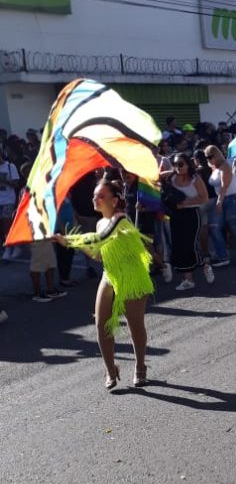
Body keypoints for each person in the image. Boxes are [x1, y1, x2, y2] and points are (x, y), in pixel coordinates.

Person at [53, 178, 153, 388]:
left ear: (115, 200)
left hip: (132, 277)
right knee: (101, 325)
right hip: (110, 275)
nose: (95, 200)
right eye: (94, 196)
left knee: (136, 326)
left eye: (101, 196)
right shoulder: (100, 223)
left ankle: (140, 366)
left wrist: (71, 240)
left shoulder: (121, 220)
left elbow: (100, 238)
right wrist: (74, 245)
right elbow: (98, 255)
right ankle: (110, 370)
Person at [164, 153, 213, 289]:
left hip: (191, 214)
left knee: (190, 245)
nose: (177, 167)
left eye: (181, 164)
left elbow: (204, 198)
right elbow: (156, 176)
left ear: (187, 164)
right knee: (179, 246)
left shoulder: (195, 179)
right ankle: (188, 279)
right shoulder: (172, 176)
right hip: (175, 215)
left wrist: (185, 203)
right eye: (175, 164)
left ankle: (205, 264)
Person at [204, 145, 236, 267]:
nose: (208, 159)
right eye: (206, 157)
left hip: (232, 199)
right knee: (214, 227)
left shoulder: (225, 166)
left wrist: (219, 201)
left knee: (235, 228)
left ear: (216, 155)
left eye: (210, 156)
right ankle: (223, 256)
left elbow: (224, 185)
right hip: (222, 199)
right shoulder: (215, 167)